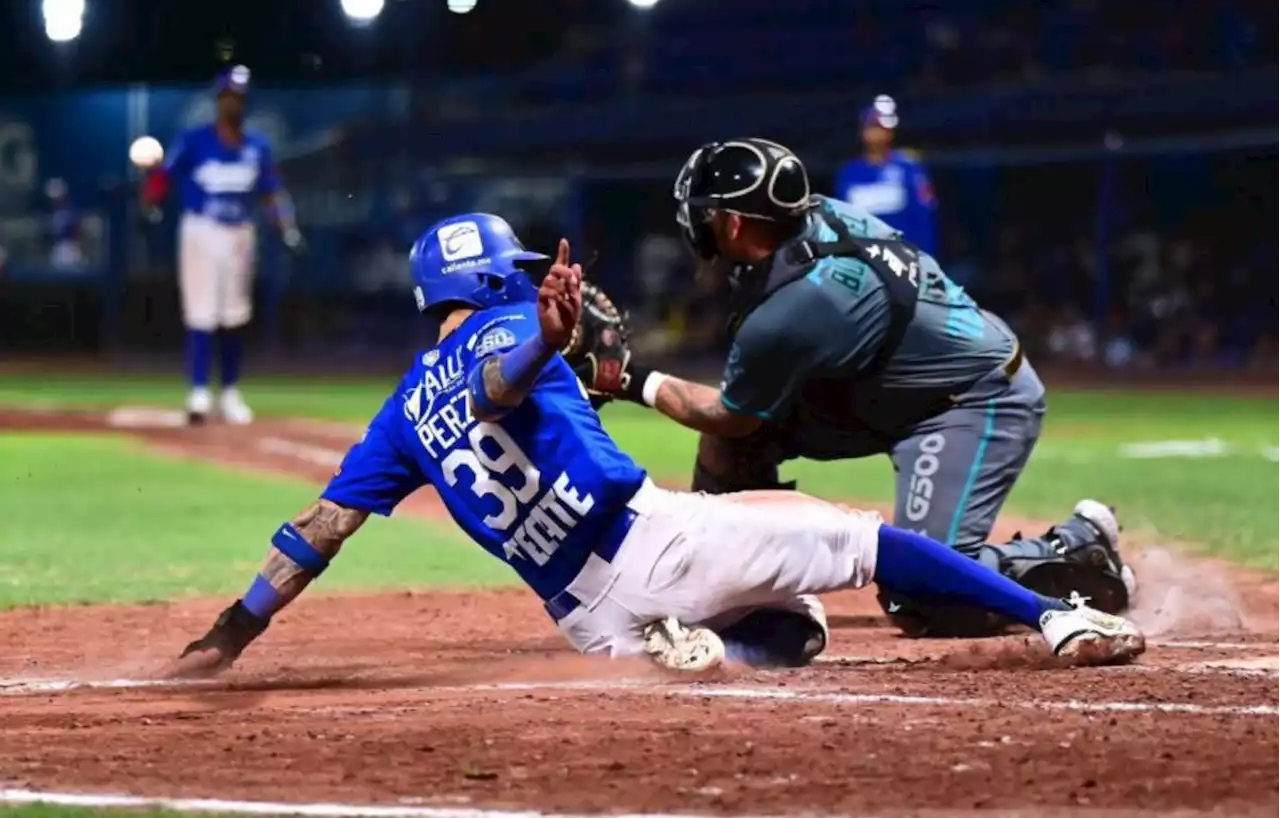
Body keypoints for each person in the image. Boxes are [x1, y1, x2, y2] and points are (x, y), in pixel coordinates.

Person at [169, 212, 1143, 678]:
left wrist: (236, 626)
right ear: (482, 283)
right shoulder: (509, 333)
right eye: (510, 271)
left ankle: (702, 642)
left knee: (794, 625)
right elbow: (497, 379)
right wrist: (547, 338)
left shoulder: (395, 411)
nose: (530, 283)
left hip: (584, 617)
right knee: (856, 539)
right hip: (650, 540)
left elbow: (320, 526)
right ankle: (1054, 615)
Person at [579, 137, 1137, 641]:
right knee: (738, 447)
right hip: (885, 389)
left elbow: (732, 414)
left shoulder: (796, 310)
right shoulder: (811, 223)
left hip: (972, 399)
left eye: (705, 212)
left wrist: (626, 377)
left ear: (733, 225)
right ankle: (724, 583)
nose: (694, 222)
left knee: (924, 596)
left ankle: (1074, 546)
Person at [141, 65, 302, 425]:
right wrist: (149, 203)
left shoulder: (257, 146)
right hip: (202, 229)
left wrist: (286, 227)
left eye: (241, 97)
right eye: (230, 95)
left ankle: (229, 391)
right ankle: (198, 391)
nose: (235, 103)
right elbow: (165, 176)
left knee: (233, 315)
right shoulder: (195, 140)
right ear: (219, 99)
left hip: (239, 233)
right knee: (201, 313)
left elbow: (272, 192)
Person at [834, 96, 938, 256]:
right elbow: (842, 220)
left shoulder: (908, 166)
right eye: (873, 127)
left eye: (883, 128)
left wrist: (925, 258)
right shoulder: (849, 171)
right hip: (865, 258)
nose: (878, 133)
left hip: (907, 255)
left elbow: (924, 217)